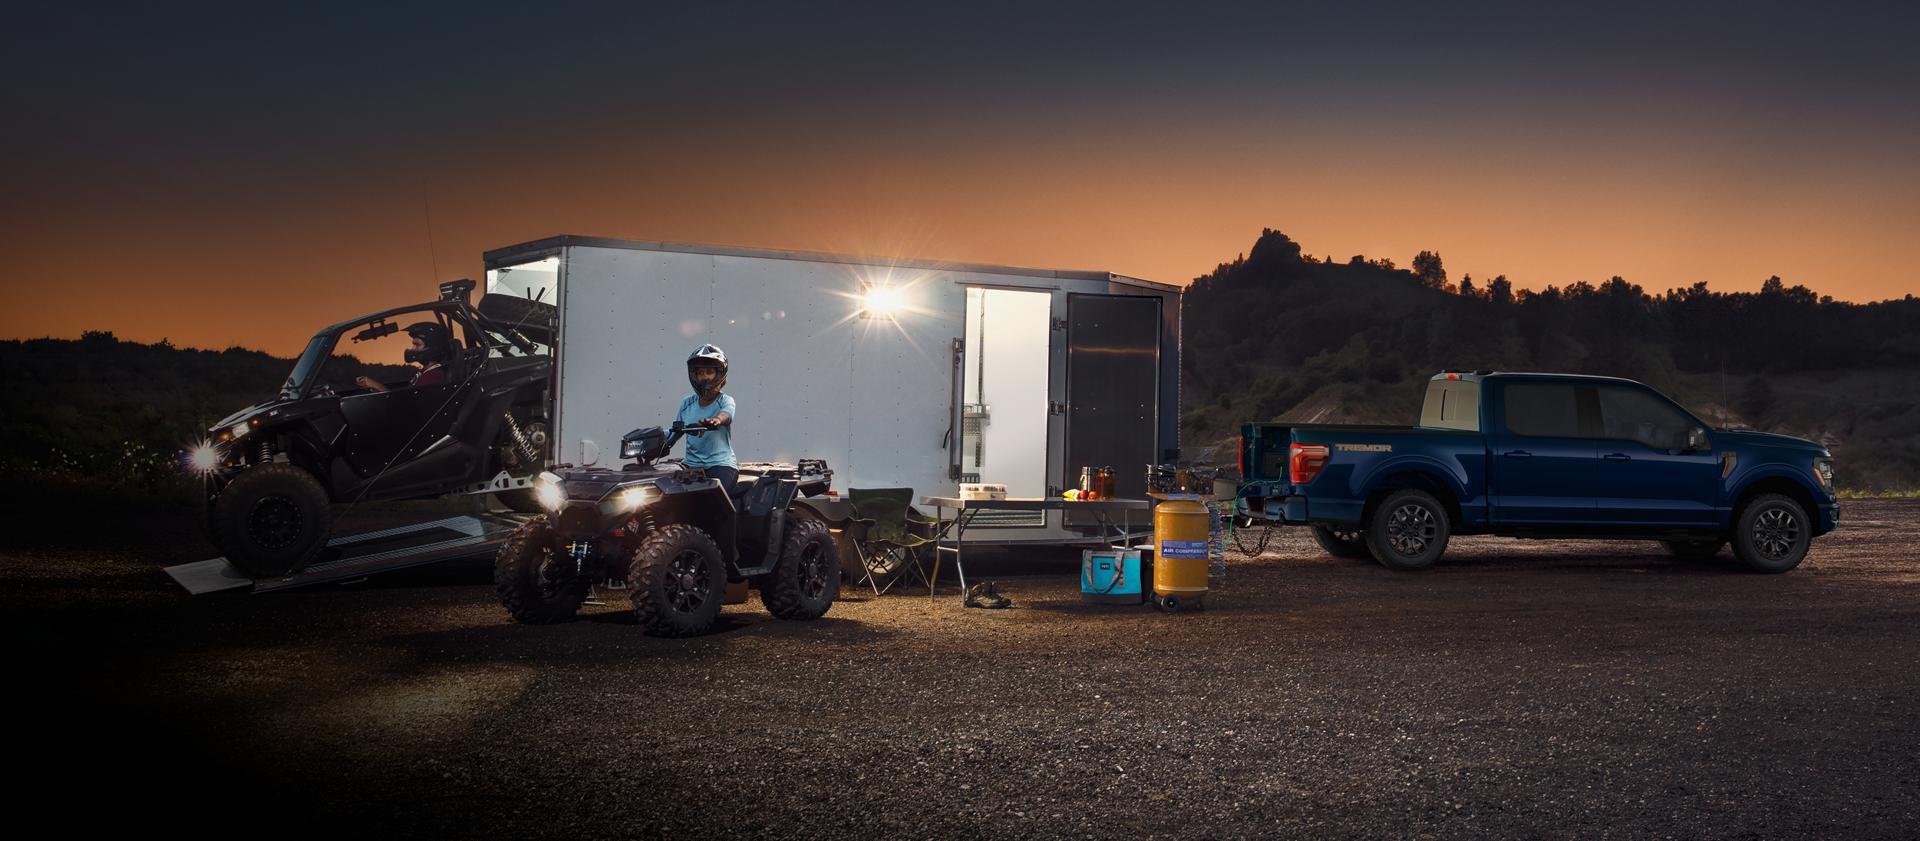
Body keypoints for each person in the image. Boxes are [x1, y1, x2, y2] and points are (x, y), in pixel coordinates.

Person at [678, 343, 737, 490]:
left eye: (709, 372)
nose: (704, 377)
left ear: (719, 374)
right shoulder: (687, 403)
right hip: (690, 466)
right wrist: (653, 438)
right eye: (700, 373)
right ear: (695, 376)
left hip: (720, 465)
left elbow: (727, 414)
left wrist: (717, 420)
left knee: (712, 498)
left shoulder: (725, 400)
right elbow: (676, 429)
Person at [356, 322, 452, 393]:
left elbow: (404, 407)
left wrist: (377, 386)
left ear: (432, 348)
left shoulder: (432, 376)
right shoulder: (424, 372)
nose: (412, 348)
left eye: (417, 345)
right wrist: (375, 387)